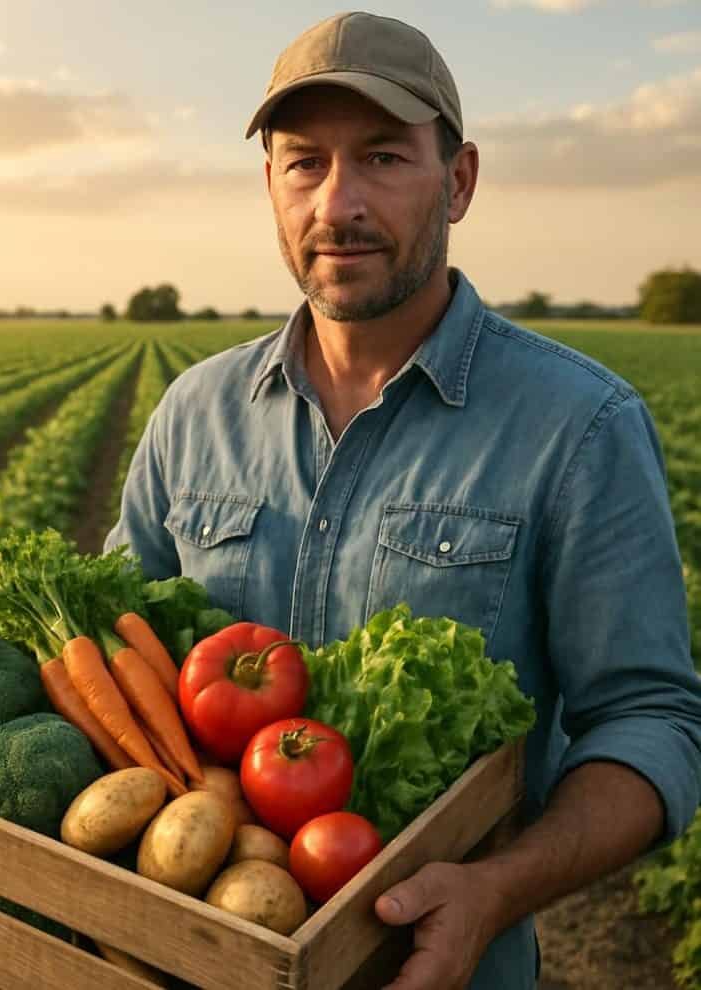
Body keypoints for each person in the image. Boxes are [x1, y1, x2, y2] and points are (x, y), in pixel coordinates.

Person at [105, 11, 701, 989]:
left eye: (382, 157)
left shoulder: (579, 426)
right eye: (304, 163)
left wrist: (497, 891)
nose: (337, 204)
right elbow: (121, 655)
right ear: (270, 185)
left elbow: (650, 722)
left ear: (458, 180)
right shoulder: (193, 413)